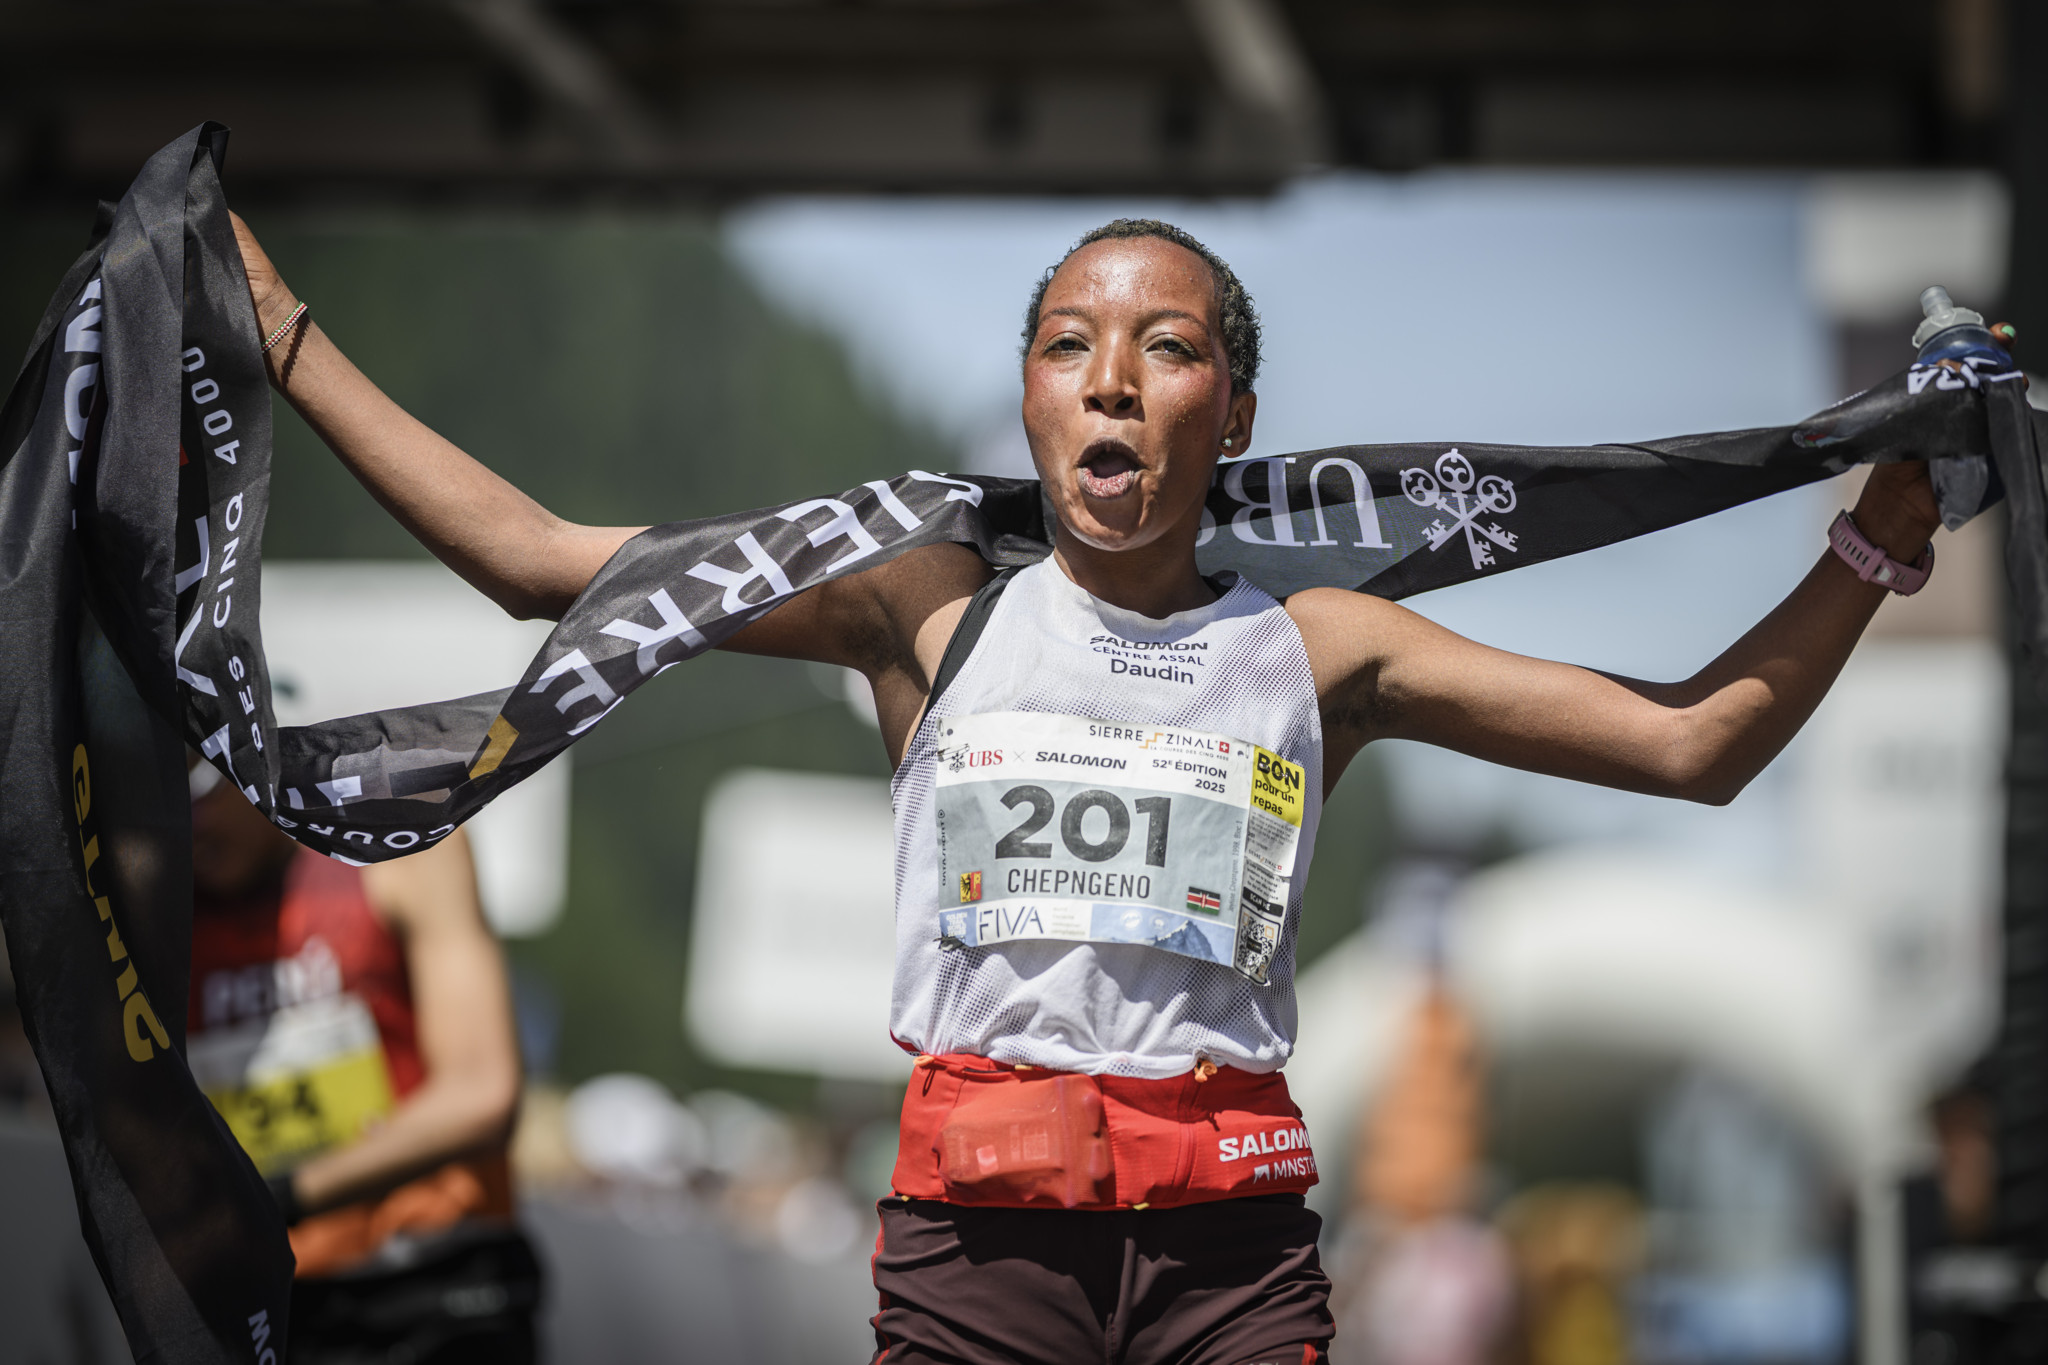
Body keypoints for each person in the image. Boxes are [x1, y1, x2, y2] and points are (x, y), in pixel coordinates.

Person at [228, 212, 1944, 1364]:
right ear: (1035, 401)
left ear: (1234, 409)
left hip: (1232, 1267)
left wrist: (1877, 538)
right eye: (1069, 343)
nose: (1112, 373)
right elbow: (532, 561)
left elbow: (1691, 745)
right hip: (977, 1260)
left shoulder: (1319, 647)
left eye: (1164, 345)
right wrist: (280, 330)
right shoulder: (922, 608)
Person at [186, 758, 539, 1363]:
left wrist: (285, 1194)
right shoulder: (152, 901)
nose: (193, 819)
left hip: (433, 1281)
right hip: (277, 1298)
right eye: (159, 789)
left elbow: (484, 1093)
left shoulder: (398, 847)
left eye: (203, 785)